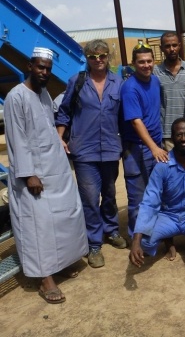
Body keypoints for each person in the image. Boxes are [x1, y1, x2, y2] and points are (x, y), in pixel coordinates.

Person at [4, 47, 88, 304]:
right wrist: (29, 175)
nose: (44, 73)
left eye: (48, 69)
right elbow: (17, 139)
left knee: (64, 217)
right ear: (30, 66)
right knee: (38, 225)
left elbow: (48, 129)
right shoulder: (15, 97)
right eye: (40, 67)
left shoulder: (43, 95)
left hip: (55, 168)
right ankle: (45, 279)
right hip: (33, 174)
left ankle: (62, 261)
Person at [56, 39, 126, 269]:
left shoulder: (118, 83)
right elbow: (64, 112)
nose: (98, 60)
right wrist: (60, 136)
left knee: (109, 194)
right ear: (86, 58)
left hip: (110, 148)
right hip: (84, 151)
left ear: (108, 57)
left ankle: (112, 230)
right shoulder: (77, 81)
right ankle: (94, 243)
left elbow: (125, 116)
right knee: (89, 198)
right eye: (93, 57)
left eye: (102, 56)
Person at [129, 118, 185, 267]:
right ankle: (168, 240)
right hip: (168, 215)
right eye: (179, 135)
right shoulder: (162, 165)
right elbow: (150, 201)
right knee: (144, 243)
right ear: (172, 137)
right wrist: (136, 240)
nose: (184, 139)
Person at [120, 43, 169, 241]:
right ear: (133, 63)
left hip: (155, 145)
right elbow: (135, 121)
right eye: (141, 62)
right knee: (138, 197)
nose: (146, 65)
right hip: (137, 148)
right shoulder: (130, 88)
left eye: (149, 61)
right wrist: (154, 148)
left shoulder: (155, 81)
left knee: (157, 192)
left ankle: (156, 231)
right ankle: (137, 239)